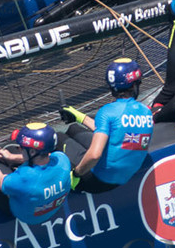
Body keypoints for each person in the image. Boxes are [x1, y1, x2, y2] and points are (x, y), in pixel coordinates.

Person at [61, 58, 154, 190]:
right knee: (74, 128)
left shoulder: (107, 111)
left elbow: (94, 155)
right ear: (134, 85)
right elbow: (117, 132)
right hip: (124, 175)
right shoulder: (146, 112)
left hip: (97, 181)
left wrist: (76, 174)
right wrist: (80, 117)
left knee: (59, 138)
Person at [0, 122, 73, 223]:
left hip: (26, 216)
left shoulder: (25, 178)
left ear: (32, 152)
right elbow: (42, 158)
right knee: (14, 155)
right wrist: (11, 157)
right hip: (51, 207)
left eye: (21, 148)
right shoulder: (62, 160)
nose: (19, 149)